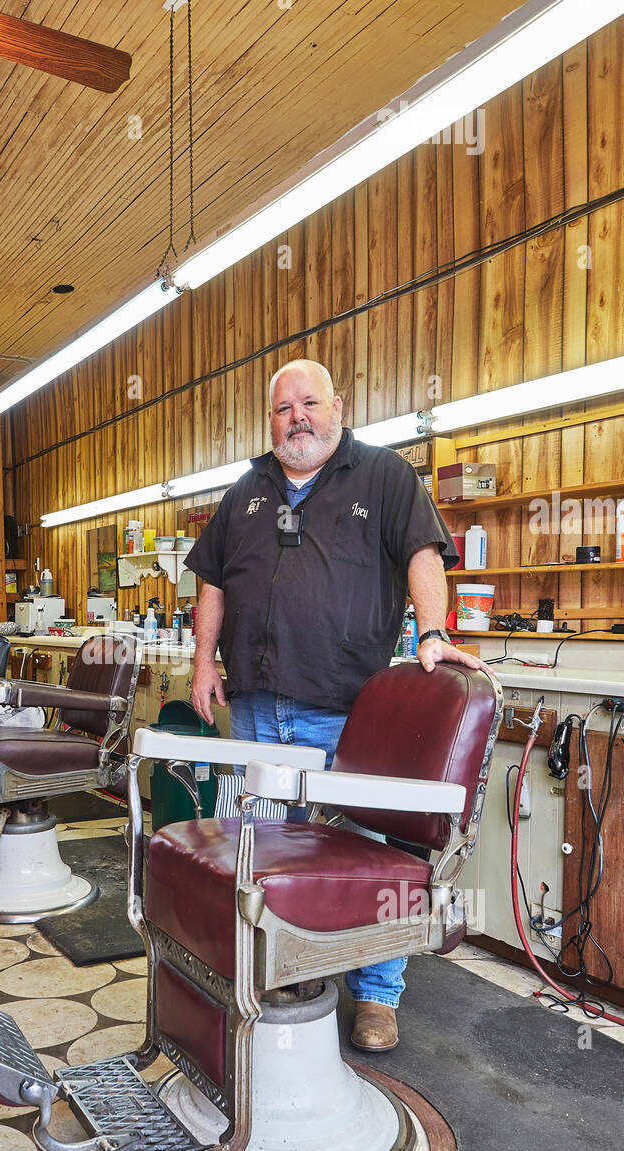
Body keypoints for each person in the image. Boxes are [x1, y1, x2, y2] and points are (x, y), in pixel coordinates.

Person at [186, 358, 489, 1052]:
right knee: (261, 848)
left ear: (337, 406)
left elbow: (421, 555)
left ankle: (376, 996)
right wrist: (203, 660)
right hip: (257, 708)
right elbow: (211, 580)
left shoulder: (383, 476)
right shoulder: (246, 490)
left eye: (309, 403)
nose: (297, 417)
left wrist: (434, 634)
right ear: (269, 421)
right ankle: (276, 971)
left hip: (344, 708)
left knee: (361, 851)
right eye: (283, 408)